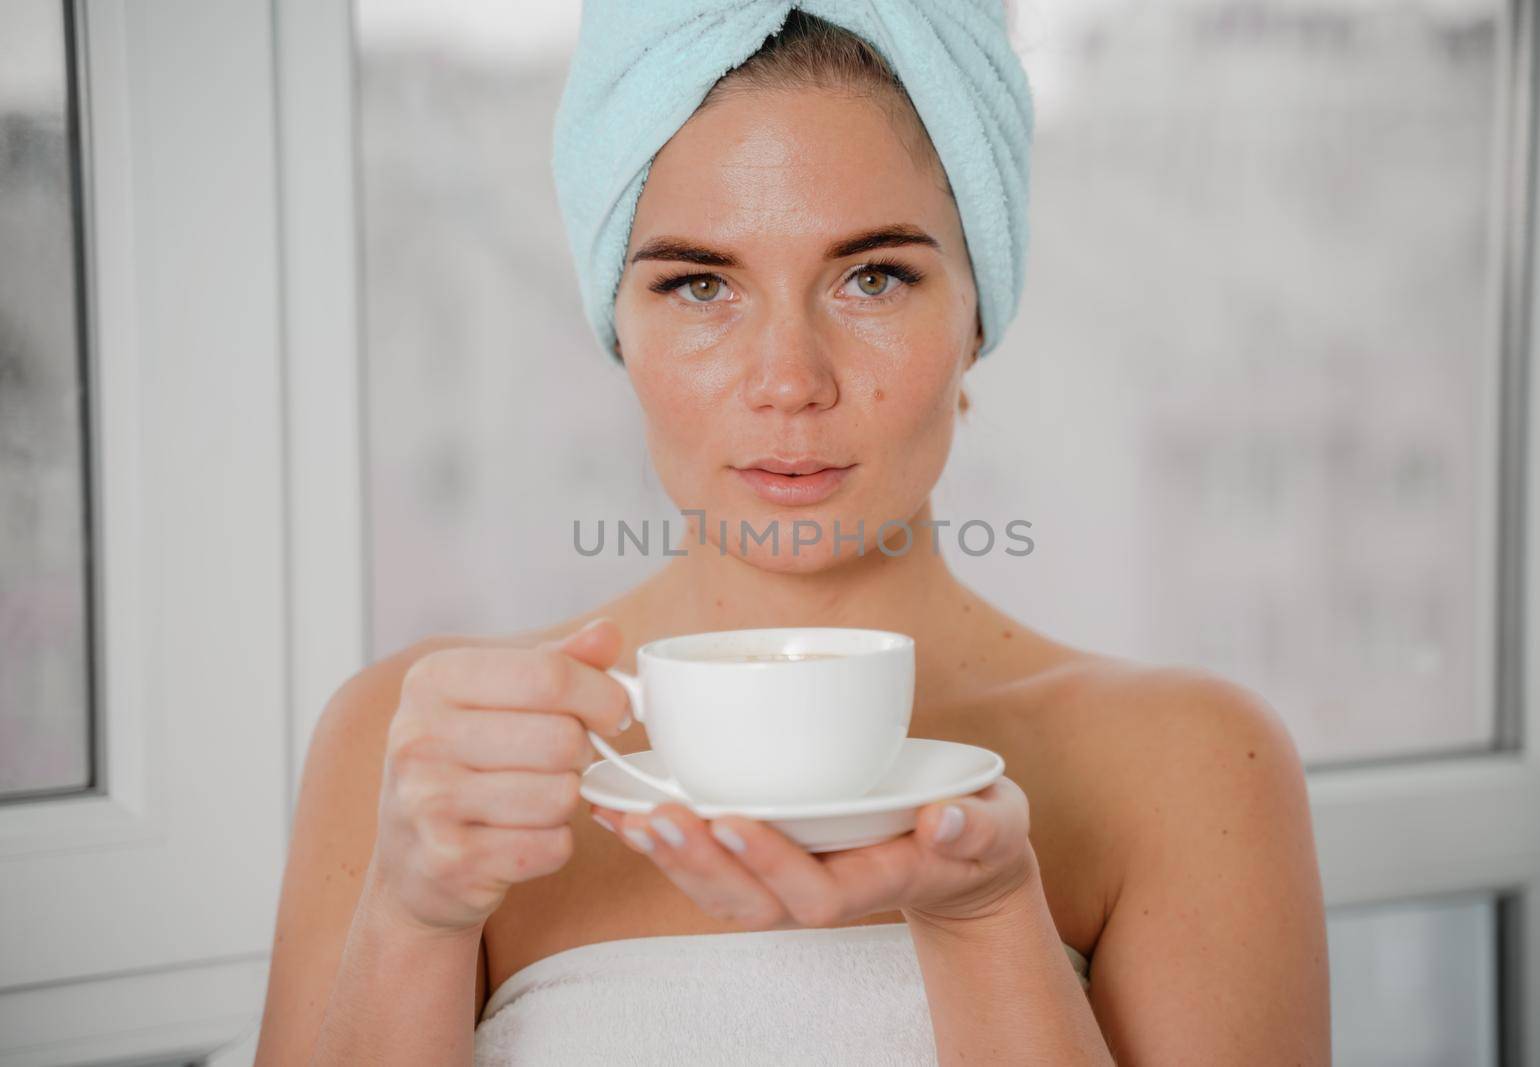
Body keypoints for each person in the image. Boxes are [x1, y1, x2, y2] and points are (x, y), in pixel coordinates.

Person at [254, 7, 1330, 1065]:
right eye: (700, 284)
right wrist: (414, 917)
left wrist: (985, 917)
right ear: (616, 325)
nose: (787, 382)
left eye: (874, 277)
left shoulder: (1190, 763)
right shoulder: (428, 756)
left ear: (976, 314)